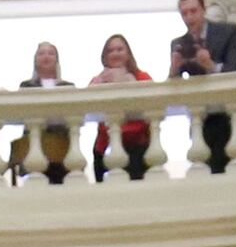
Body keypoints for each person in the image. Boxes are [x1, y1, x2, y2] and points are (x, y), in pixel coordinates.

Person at [175, 0, 236, 172]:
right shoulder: (179, 44)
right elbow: (175, 86)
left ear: (203, 10)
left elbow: (233, 69)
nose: (189, 17)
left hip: (233, 114)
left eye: (193, 11)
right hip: (205, 119)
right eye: (184, 13)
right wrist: (173, 68)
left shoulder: (228, 32)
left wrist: (211, 66)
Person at [86, 34, 155, 181]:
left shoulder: (142, 77)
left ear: (128, 54)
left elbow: (151, 105)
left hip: (137, 145)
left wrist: (128, 81)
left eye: (119, 49)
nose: (115, 54)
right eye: (111, 51)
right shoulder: (98, 80)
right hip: (105, 147)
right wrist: (97, 84)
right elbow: (87, 107)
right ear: (105, 56)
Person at [16, 40, 78, 185]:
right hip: (34, 143)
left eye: (50, 53)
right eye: (41, 53)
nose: (46, 57)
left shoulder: (68, 87)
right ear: (35, 59)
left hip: (61, 143)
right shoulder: (26, 86)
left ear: (57, 59)